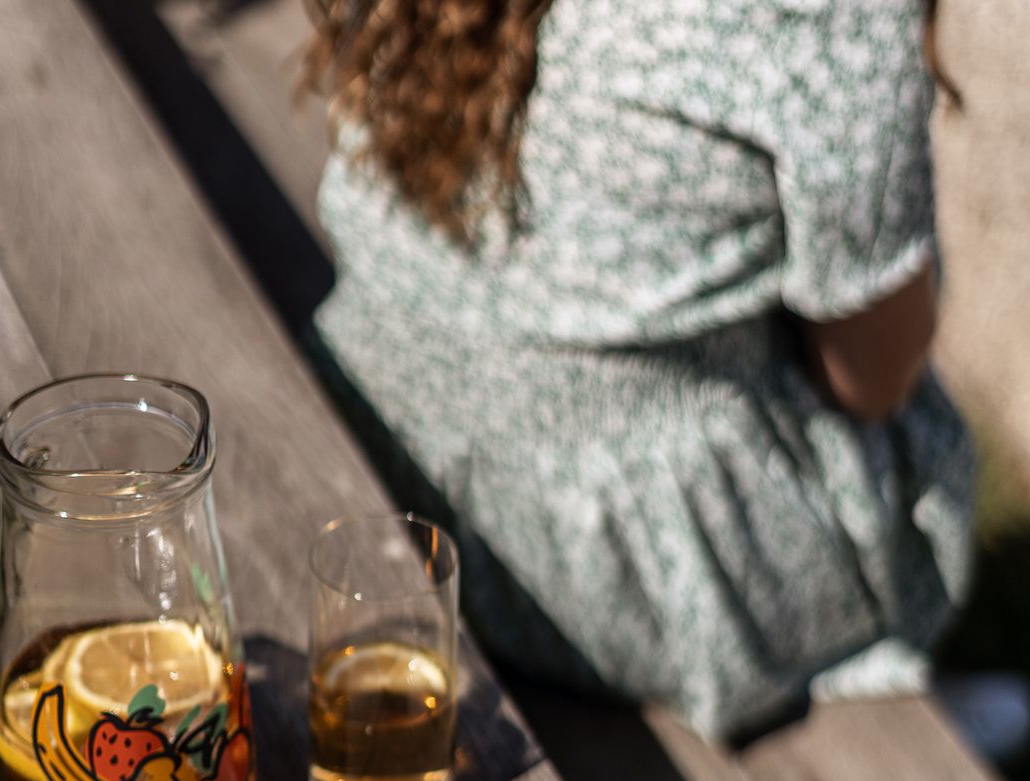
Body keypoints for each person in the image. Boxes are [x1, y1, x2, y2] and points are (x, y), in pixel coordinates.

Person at [303, 0, 977, 741]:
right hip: (612, 589)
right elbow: (875, 379)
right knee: (912, 425)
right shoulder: (825, 19)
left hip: (382, 445)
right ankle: (906, 700)